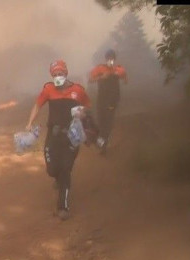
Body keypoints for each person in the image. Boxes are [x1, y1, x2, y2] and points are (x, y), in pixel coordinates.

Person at [26, 60, 95, 221]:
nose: (58, 77)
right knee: (51, 170)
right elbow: (37, 105)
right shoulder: (48, 90)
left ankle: (63, 207)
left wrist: (85, 120)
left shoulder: (78, 90)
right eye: (55, 74)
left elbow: (88, 106)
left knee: (65, 169)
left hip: (72, 135)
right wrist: (29, 123)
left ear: (66, 73)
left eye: (60, 74)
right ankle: (57, 178)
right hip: (53, 135)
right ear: (52, 75)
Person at [89, 49, 128, 154]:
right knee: (101, 122)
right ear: (105, 59)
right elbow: (90, 80)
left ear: (114, 59)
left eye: (112, 59)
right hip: (101, 99)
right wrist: (102, 77)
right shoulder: (99, 68)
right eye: (108, 58)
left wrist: (121, 76)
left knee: (108, 123)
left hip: (112, 100)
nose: (110, 60)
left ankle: (103, 146)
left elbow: (125, 80)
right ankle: (102, 143)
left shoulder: (118, 69)